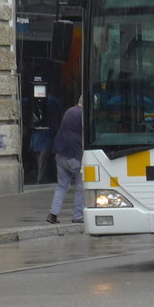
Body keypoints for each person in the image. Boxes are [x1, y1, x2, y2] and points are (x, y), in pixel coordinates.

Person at [47, 96, 84, 224]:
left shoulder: (69, 111)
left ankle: (53, 214)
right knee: (81, 186)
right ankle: (77, 216)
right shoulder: (84, 115)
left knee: (62, 186)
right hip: (76, 154)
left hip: (60, 153)